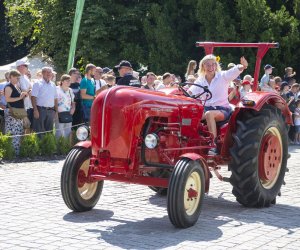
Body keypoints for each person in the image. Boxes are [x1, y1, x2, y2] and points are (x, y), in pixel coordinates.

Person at [188, 54, 248, 155]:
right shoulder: (200, 80)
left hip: (222, 110)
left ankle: (213, 145)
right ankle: (190, 143)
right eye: (208, 65)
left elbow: (233, 71)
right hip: (206, 108)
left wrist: (242, 66)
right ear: (203, 66)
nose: (211, 67)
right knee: (190, 115)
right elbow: (190, 93)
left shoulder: (222, 76)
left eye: (213, 65)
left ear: (216, 66)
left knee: (209, 114)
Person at [4, 70, 28, 155]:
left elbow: (19, 98)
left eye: (18, 77)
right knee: (12, 133)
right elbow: (7, 99)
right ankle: (11, 153)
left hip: (18, 112)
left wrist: (24, 96)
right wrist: (20, 97)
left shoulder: (17, 86)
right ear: (10, 77)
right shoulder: (8, 87)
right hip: (12, 112)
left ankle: (16, 153)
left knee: (19, 132)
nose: (18, 78)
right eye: (16, 77)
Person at [31, 67, 58, 135]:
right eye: (47, 72)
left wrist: (56, 111)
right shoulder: (37, 83)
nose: (49, 74)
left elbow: (55, 98)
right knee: (39, 133)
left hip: (51, 111)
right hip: (40, 110)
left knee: (49, 133)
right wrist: (35, 110)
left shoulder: (53, 84)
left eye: (50, 72)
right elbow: (33, 97)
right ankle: (40, 146)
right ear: (42, 73)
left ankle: (47, 146)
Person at [55, 74, 75, 140]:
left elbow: (73, 101)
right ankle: (57, 149)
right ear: (62, 81)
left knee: (67, 132)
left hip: (68, 113)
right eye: (67, 81)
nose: (69, 82)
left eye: (70, 81)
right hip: (59, 113)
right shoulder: (56, 89)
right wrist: (56, 113)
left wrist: (73, 108)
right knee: (59, 133)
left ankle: (65, 147)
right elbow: (54, 102)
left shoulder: (70, 90)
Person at [16, 59, 34, 129]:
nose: (27, 67)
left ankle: (27, 140)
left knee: (27, 127)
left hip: (28, 105)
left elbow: (29, 90)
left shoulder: (25, 77)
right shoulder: (17, 77)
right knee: (22, 128)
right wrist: (29, 90)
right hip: (21, 106)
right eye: (25, 65)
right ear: (19, 67)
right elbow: (23, 92)